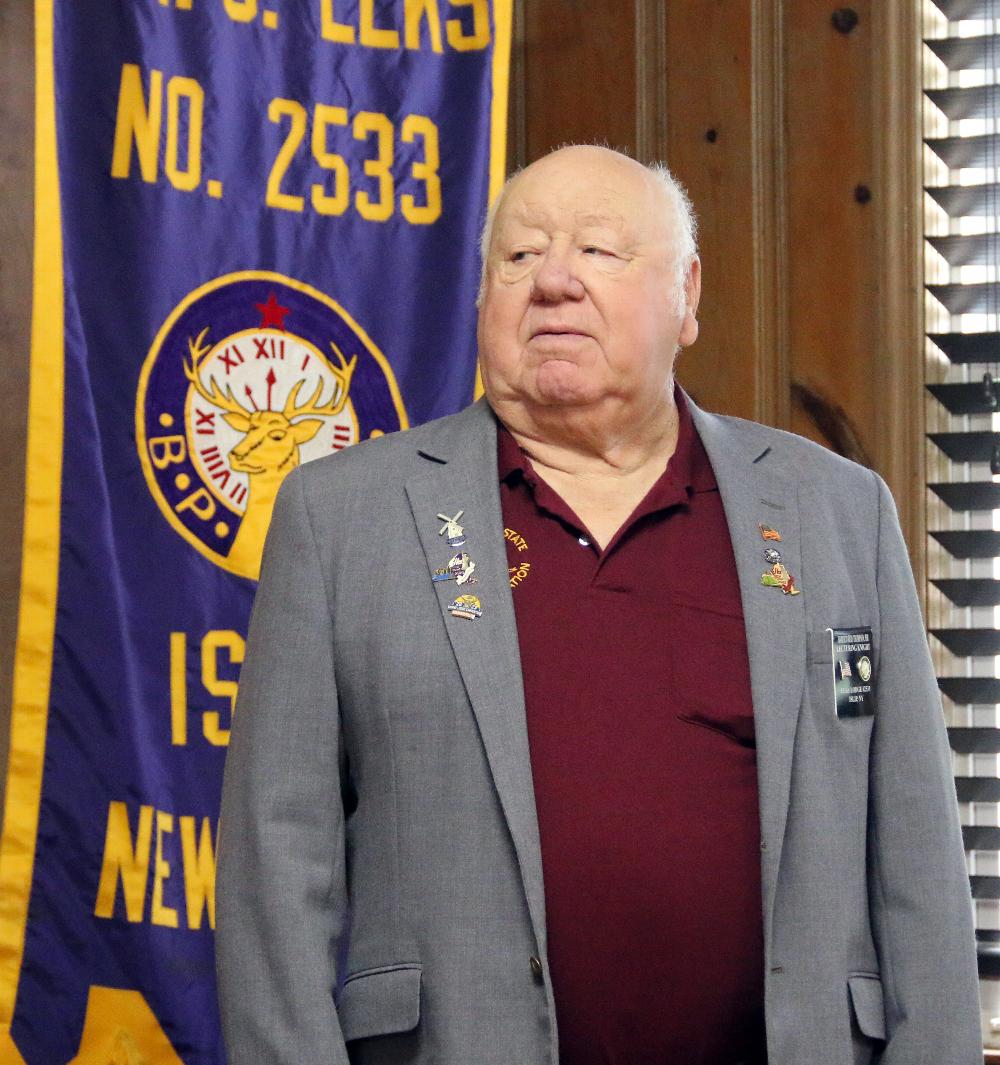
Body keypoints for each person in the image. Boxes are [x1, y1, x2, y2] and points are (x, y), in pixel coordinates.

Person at [215, 145, 982, 1065]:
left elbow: (920, 858)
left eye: (601, 252)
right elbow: (272, 865)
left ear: (687, 293)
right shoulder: (342, 517)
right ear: (482, 297)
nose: (555, 282)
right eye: (520, 256)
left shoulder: (836, 511)